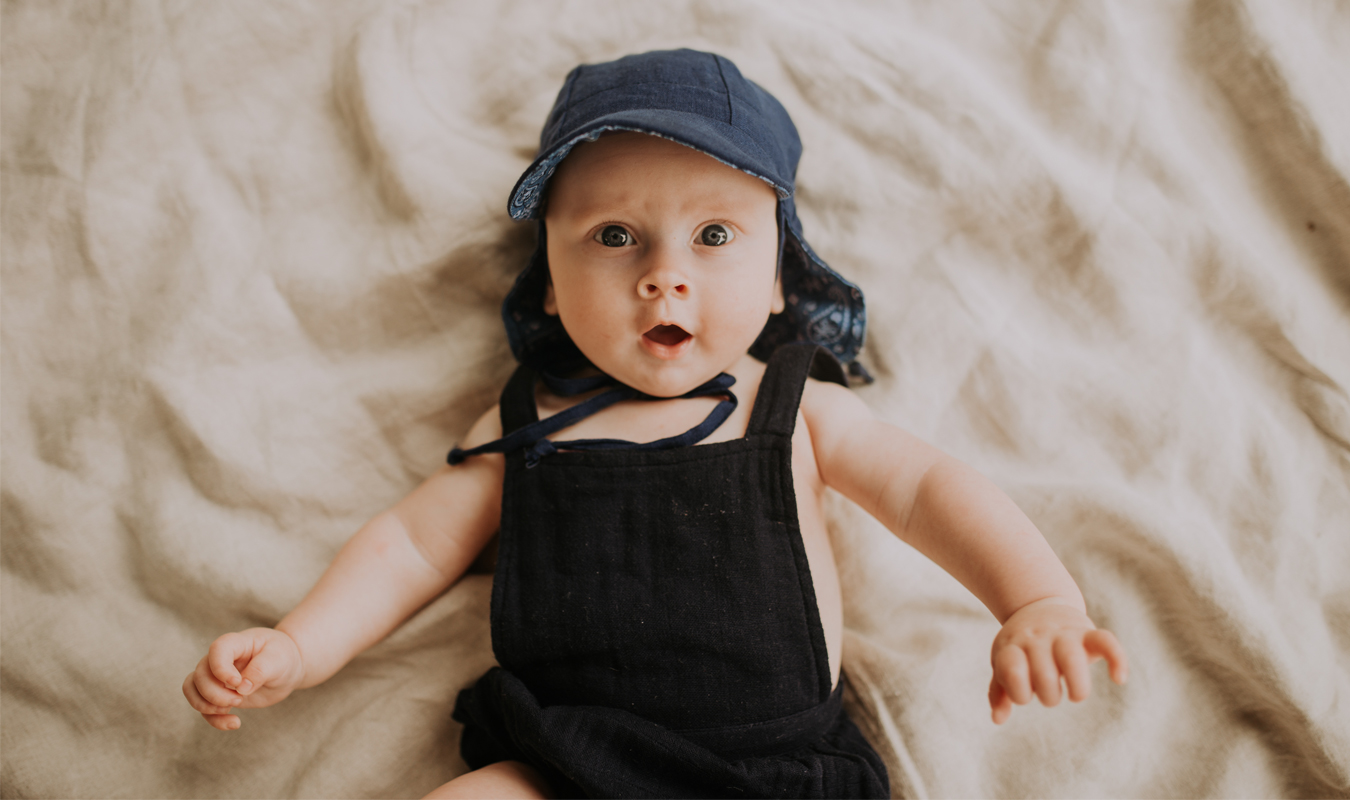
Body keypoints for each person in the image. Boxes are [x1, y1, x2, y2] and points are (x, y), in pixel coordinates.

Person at [183, 49, 1128, 799]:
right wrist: (303, 645)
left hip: (772, 770)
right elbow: (406, 547)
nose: (663, 273)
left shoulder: (791, 408)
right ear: (548, 285)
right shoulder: (524, 425)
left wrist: (1035, 600)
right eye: (614, 235)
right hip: (561, 763)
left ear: (778, 279)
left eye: (714, 237)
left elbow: (928, 492)